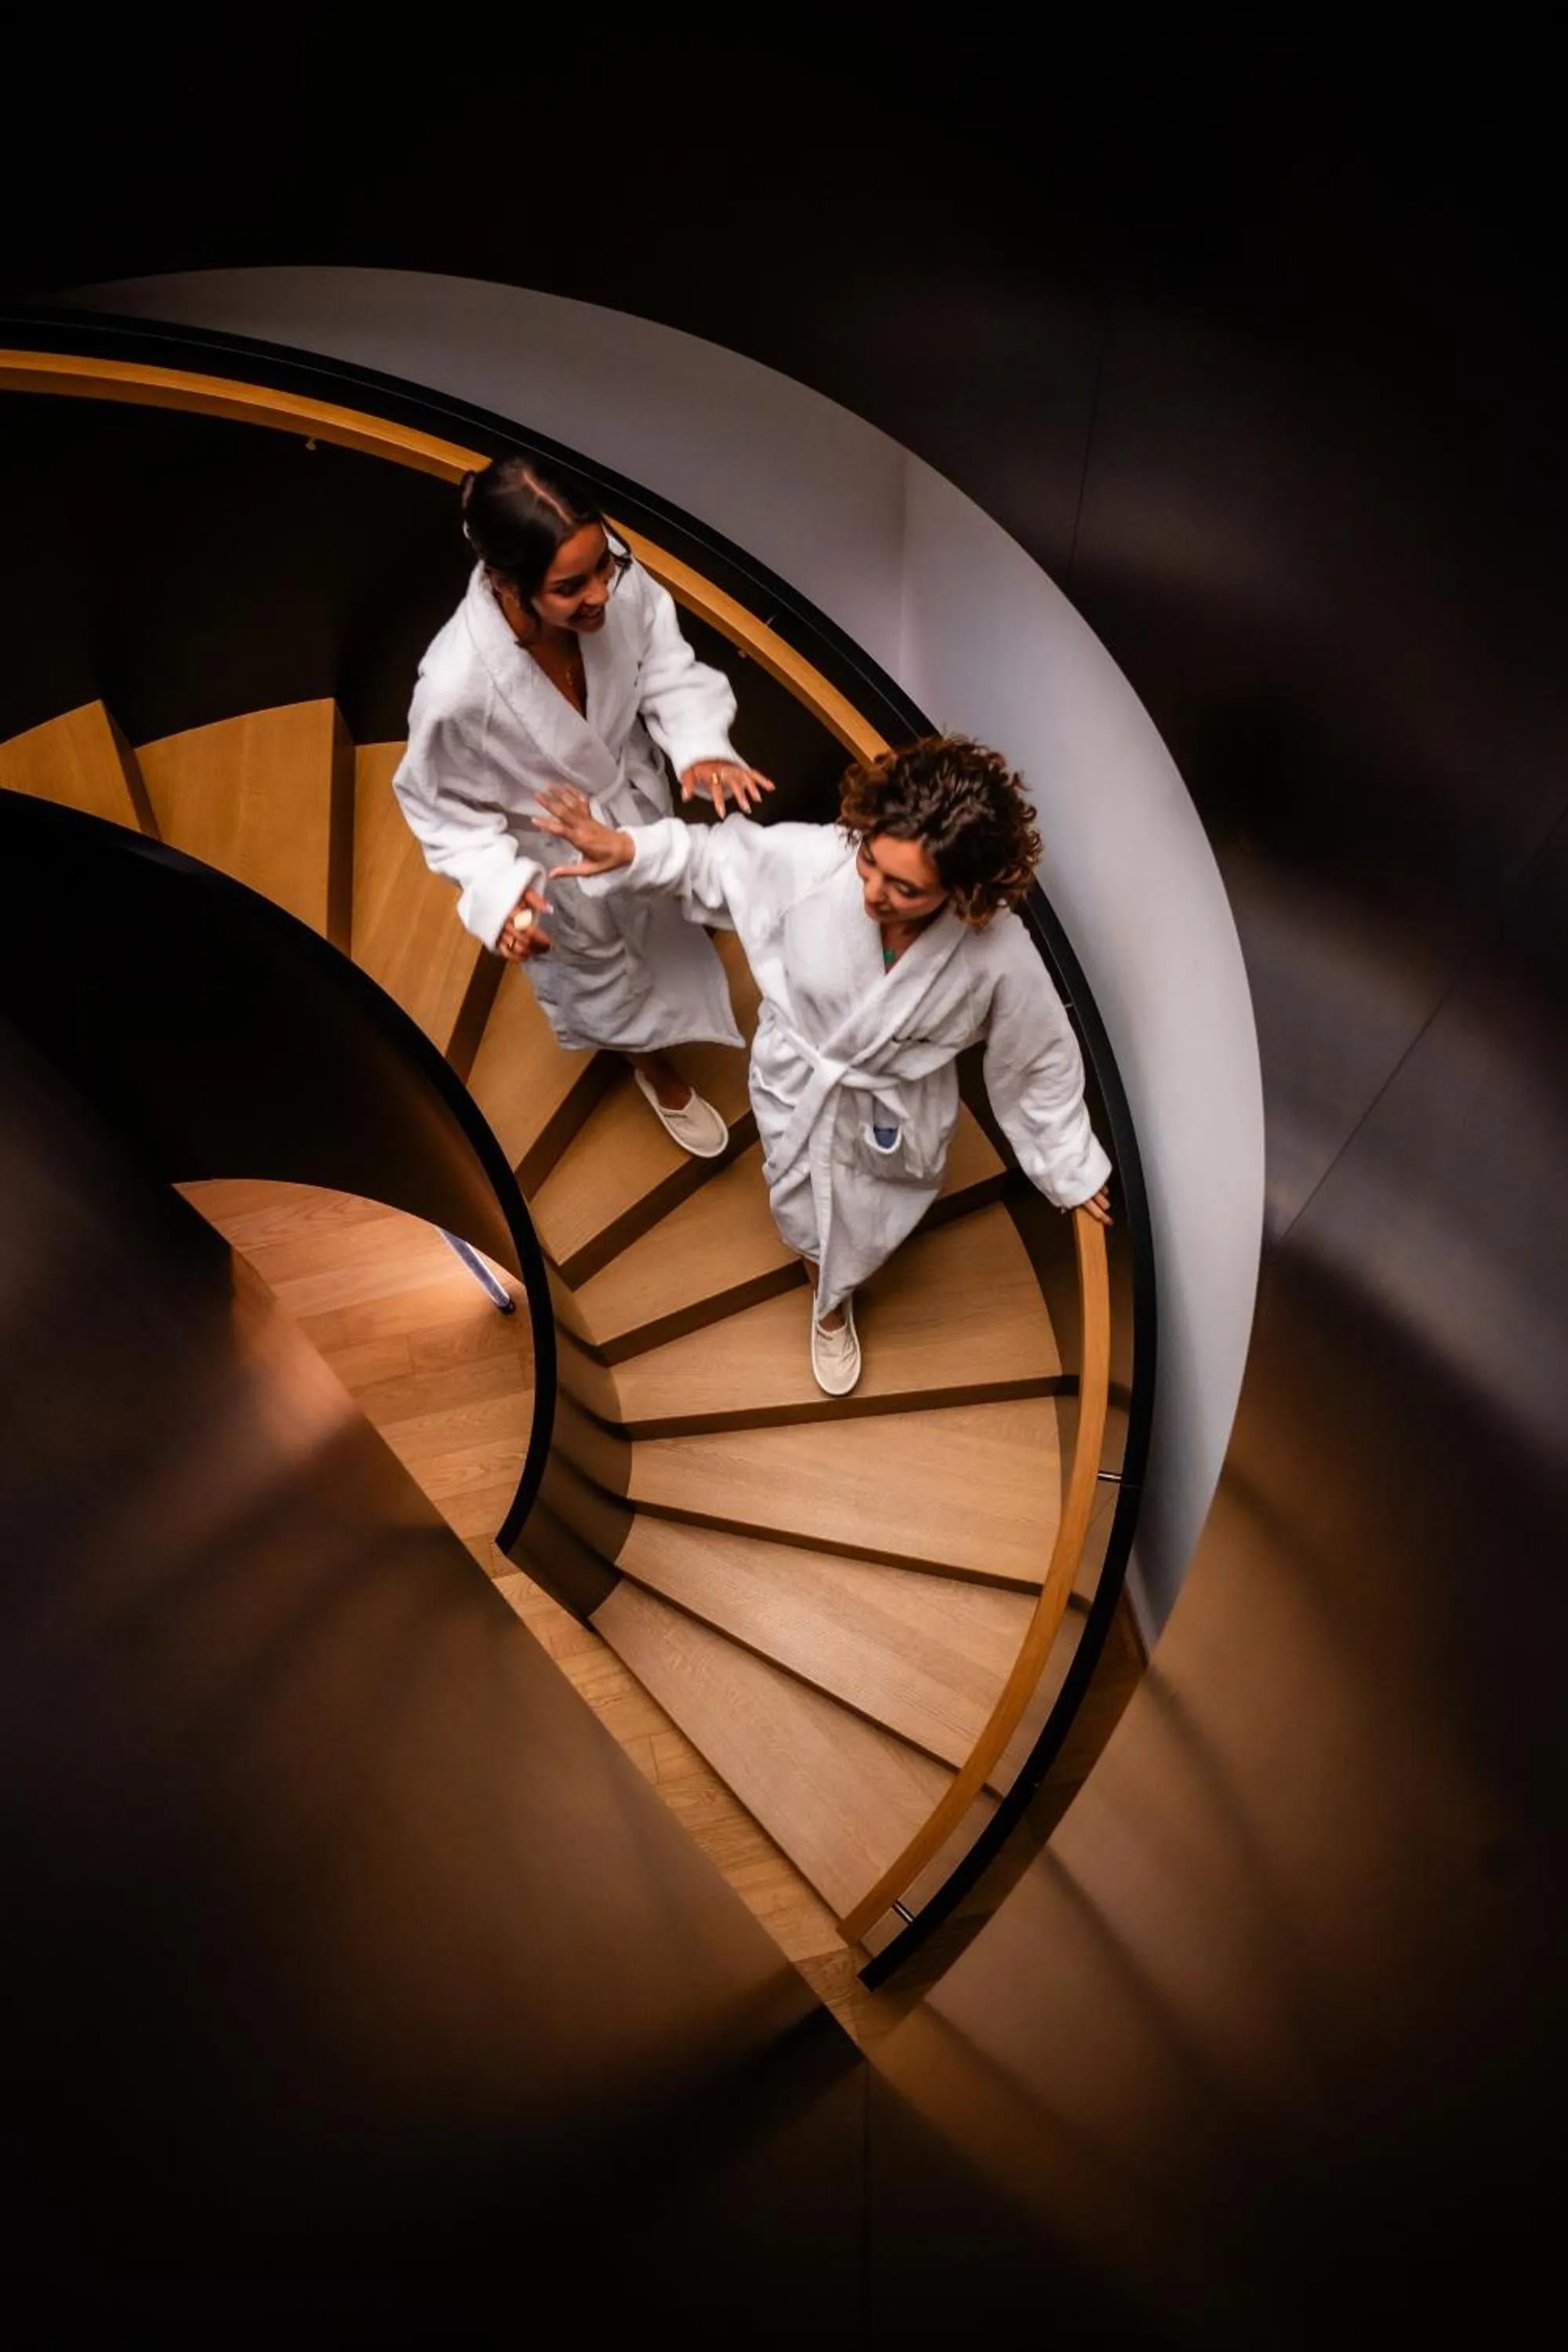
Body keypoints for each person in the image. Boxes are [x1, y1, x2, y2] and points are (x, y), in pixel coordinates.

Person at [535, 735, 1113, 1396]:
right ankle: (829, 1304)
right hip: (797, 1083)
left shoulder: (996, 952)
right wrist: (629, 850)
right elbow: (722, 859)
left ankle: (843, 1280)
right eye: (870, 861)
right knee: (806, 1213)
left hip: (892, 1109)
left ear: (964, 890)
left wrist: (1065, 1160)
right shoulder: (820, 861)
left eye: (905, 888)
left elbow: (1036, 1056)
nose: (873, 891)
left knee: (874, 1214)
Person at [392, 455, 773, 1156]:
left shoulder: (612, 577)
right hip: (559, 867)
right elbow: (440, 811)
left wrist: (700, 743)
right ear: (507, 584)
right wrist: (501, 893)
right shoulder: (457, 689)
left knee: (665, 925)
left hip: (632, 808)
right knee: (604, 976)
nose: (601, 593)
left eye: (605, 567)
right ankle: (649, 1065)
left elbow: (663, 661)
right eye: (571, 587)